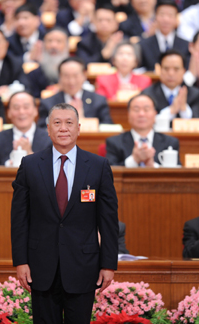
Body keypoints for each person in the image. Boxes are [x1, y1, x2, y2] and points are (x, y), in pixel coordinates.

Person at [11, 103, 119, 323]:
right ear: (48, 129)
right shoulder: (30, 165)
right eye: (57, 123)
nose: (63, 128)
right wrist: (20, 261)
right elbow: (19, 219)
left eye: (69, 123)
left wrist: (108, 264)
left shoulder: (98, 166)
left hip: (83, 266)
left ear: (78, 128)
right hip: (41, 266)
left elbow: (108, 220)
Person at [106, 94, 180, 167]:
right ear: (128, 114)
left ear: (155, 114)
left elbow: (178, 173)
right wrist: (134, 160)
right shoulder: (114, 142)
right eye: (136, 109)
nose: (141, 114)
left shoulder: (170, 142)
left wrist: (152, 165)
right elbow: (109, 171)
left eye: (146, 109)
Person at [37, 57, 114, 127]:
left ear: (84, 75)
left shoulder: (98, 100)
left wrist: (83, 121)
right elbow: (42, 130)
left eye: (75, 76)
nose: (71, 81)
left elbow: (108, 127)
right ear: (60, 77)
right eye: (66, 76)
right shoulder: (48, 103)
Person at [0, 91, 52, 166]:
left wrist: (30, 154)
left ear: (35, 111)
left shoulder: (49, 139)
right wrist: (8, 164)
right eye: (16, 108)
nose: (21, 112)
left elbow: (52, 171)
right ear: (9, 113)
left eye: (26, 107)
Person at [142, 50, 199, 120]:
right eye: (166, 69)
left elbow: (197, 122)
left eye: (176, 69)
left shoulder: (193, 94)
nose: (171, 73)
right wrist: (171, 110)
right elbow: (146, 121)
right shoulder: (148, 94)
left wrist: (184, 109)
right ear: (160, 70)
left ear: (183, 71)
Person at [138, 0, 189, 71]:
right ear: (155, 17)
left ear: (176, 19)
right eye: (162, 15)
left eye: (170, 15)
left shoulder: (186, 45)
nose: (166, 19)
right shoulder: (143, 45)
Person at [27, 27, 70, 98]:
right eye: (49, 41)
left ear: (67, 45)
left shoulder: (75, 71)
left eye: (59, 41)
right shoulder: (33, 74)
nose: (53, 45)